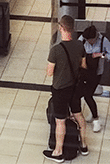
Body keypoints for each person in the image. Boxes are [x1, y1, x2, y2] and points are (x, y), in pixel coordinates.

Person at [43, 15, 88, 162]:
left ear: (61, 28)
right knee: (78, 115)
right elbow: (83, 66)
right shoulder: (80, 46)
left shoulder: (55, 50)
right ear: (73, 29)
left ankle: (58, 152)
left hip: (60, 90)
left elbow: (49, 72)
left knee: (60, 121)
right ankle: (83, 145)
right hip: (74, 88)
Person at [78, 25, 110, 133]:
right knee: (82, 94)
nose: (90, 43)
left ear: (95, 37)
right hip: (83, 71)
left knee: (88, 95)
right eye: (88, 41)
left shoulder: (104, 41)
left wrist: (101, 55)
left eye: (92, 41)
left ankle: (96, 120)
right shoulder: (82, 39)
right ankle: (93, 113)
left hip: (96, 73)